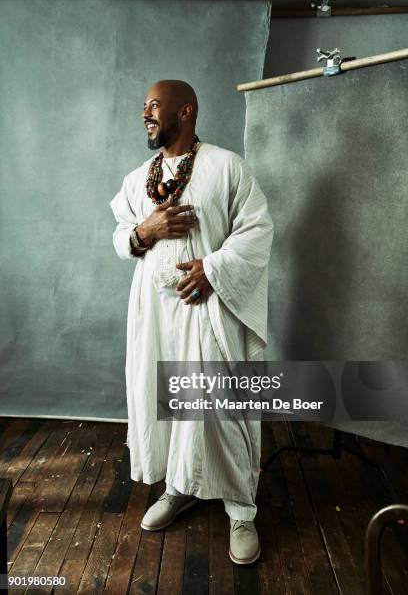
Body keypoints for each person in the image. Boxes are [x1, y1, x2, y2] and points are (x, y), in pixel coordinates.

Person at [110, 80, 273, 564]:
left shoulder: (226, 167)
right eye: (143, 106)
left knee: (223, 406)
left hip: (208, 309)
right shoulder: (139, 177)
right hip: (156, 313)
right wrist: (146, 229)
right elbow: (122, 235)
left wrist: (212, 269)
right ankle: (179, 486)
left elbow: (258, 229)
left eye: (154, 105)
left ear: (186, 111)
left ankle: (241, 508)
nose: (145, 113)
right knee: (167, 401)